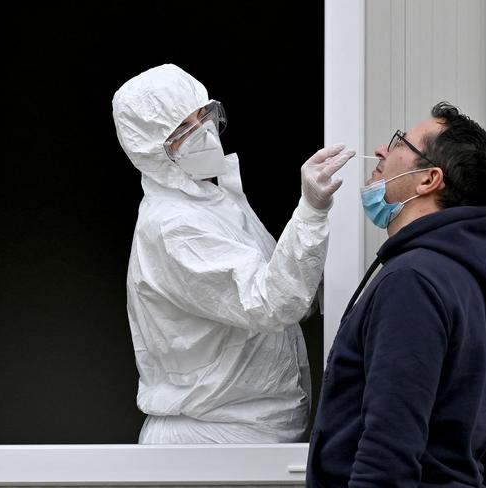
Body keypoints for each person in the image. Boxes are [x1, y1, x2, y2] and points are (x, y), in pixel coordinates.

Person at [111, 64, 354, 444]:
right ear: (152, 150)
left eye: (204, 115)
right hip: (212, 441)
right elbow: (270, 303)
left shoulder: (214, 200)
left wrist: (330, 284)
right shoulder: (175, 227)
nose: (204, 132)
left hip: (244, 432)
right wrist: (311, 210)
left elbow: (262, 297)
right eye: (184, 130)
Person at [306, 102, 486, 487]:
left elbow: (388, 453)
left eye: (400, 141)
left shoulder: (414, 281)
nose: (384, 150)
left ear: (428, 179)